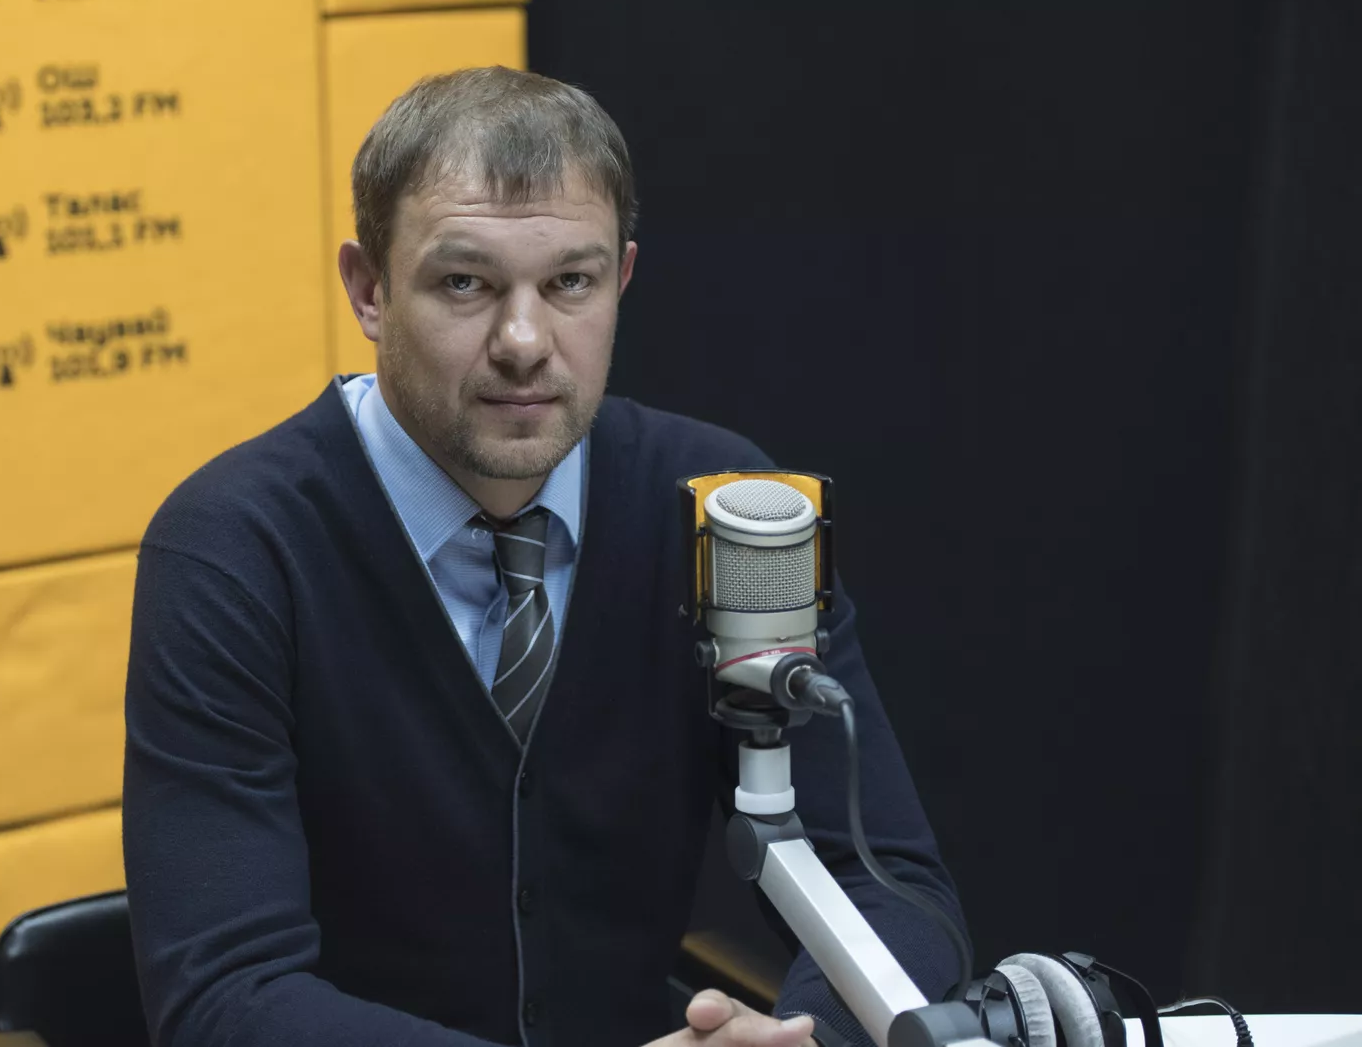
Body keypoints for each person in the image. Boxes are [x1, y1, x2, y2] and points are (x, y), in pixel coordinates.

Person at [122, 66, 964, 1047]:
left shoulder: (725, 510)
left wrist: (805, 1038)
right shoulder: (234, 546)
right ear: (369, 289)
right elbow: (224, 999)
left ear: (622, 279)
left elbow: (889, 884)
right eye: (465, 283)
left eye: (570, 282)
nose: (524, 342)